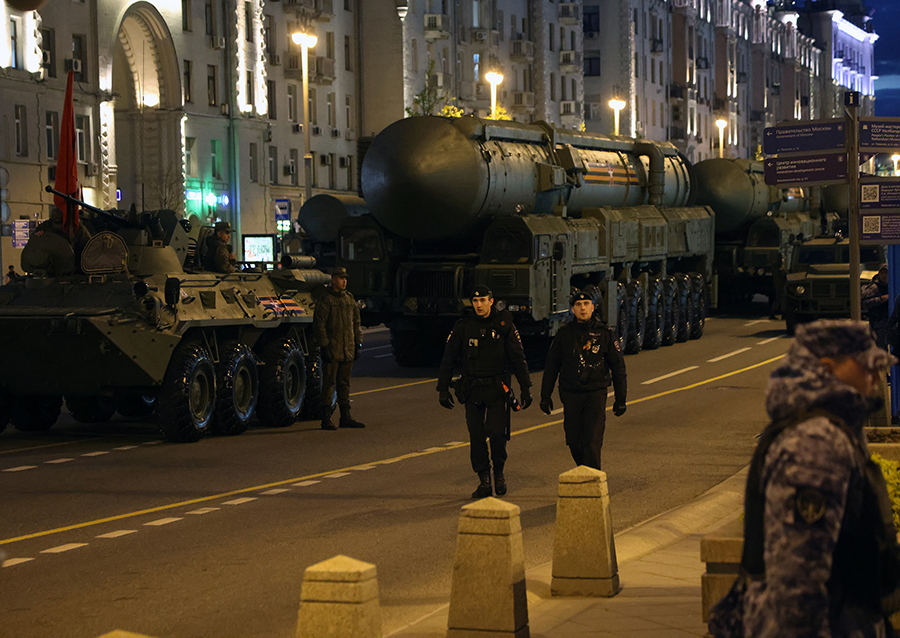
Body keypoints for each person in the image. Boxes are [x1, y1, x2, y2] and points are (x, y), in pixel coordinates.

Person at [709, 319, 900, 638]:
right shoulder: (816, 443)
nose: (877, 379)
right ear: (828, 368)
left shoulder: (832, 428)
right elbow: (797, 582)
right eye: (867, 368)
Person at [437, 285, 532, 498]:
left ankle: (499, 472)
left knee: (497, 433)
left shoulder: (503, 325)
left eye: (483, 300)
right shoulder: (464, 326)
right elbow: (449, 358)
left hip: (497, 388)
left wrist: (526, 388)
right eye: (475, 301)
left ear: (491, 301)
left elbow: (517, 357)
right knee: (477, 436)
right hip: (472, 389)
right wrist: (442, 388)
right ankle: (484, 479)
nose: (479, 305)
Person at [539, 291, 627, 471]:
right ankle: (585, 471)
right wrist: (545, 396)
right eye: (578, 305)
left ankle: (593, 481)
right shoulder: (564, 335)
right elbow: (552, 366)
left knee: (592, 441)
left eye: (586, 304)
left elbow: (618, 367)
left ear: (593, 307)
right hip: (571, 394)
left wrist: (621, 399)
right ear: (572, 309)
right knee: (573, 440)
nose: (583, 308)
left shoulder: (604, 334)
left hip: (595, 393)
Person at [313, 266, 364, 430]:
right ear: (333, 279)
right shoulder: (326, 300)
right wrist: (324, 345)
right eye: (341, 278)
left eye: (345, 278)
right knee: (329, 384)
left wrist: (358, 343)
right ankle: (326, 417)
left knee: (344, 383)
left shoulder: (349, 299)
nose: (344, 281)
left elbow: (356, 323)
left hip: (347, 349)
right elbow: (319, 324)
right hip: (333, 349)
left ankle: (346, 416)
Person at [862, 263, 890, 351]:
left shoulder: (893, 285)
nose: (884, 276)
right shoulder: (874, 288)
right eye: (882, 273)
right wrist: (881, 299)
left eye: (886, 273)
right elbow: (865, 303)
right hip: (879, 322)